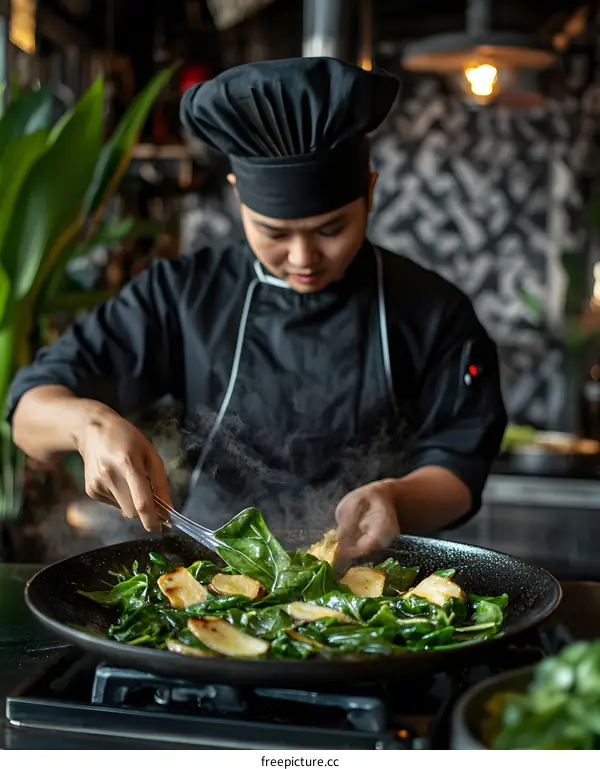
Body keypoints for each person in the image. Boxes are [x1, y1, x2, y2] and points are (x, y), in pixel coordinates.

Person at [6, 57, 507, 558]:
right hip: (211, 578)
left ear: (370, 193)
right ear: (238, 200)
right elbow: (29, 411)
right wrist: (87, 425)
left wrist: (396, 497)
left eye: (331, 230)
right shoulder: (183, 292)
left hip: (376, 590)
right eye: (274, 233)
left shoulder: (432, 310)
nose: (303, 257)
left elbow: (459, 464)